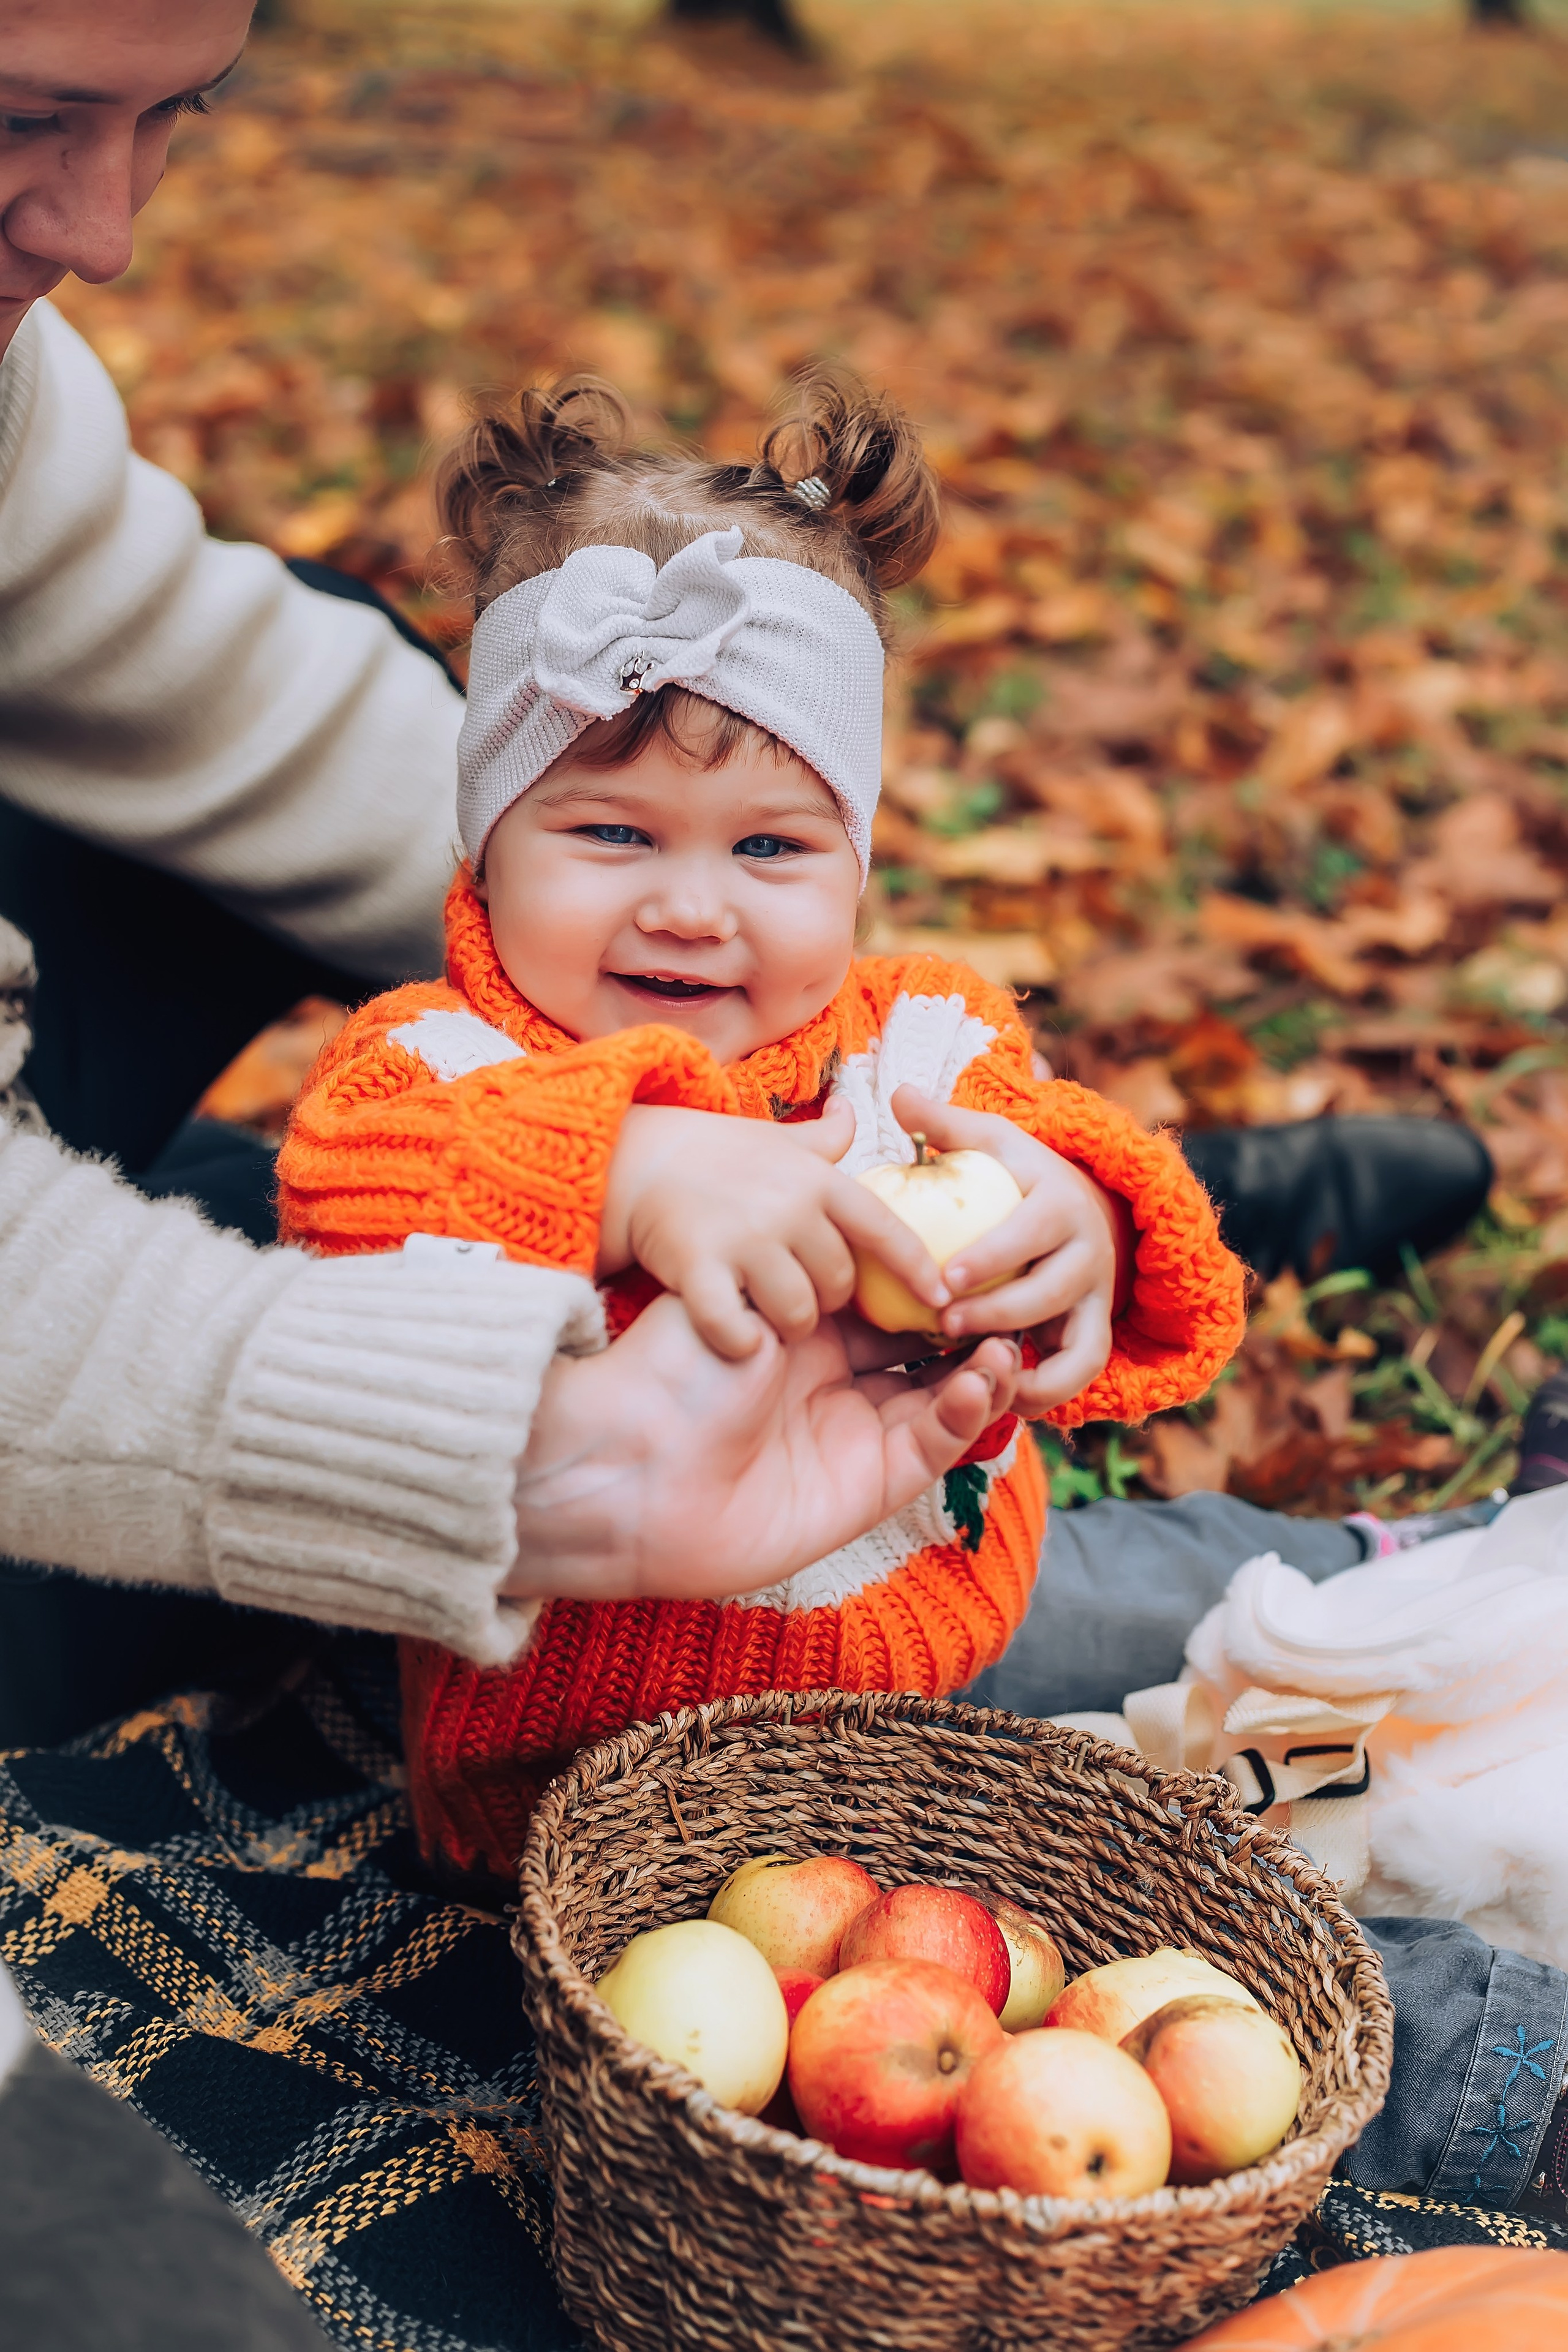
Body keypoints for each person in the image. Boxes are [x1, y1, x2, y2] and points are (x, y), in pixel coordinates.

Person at [273, 368, 1247, 1890]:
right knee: (1114, 1926)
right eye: (608, 832)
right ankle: (1489, 2088)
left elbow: (1040, 1133)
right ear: (485, 847)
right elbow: (348, 1193)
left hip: (948, 1636)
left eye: (771, 848)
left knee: (1222, 1604)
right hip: (606, 1797)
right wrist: (631, 1164)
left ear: (852, 861)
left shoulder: (916, 1036)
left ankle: (1438, 1570)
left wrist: (1079, 1215)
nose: (688, 903)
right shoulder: (432, 1064)